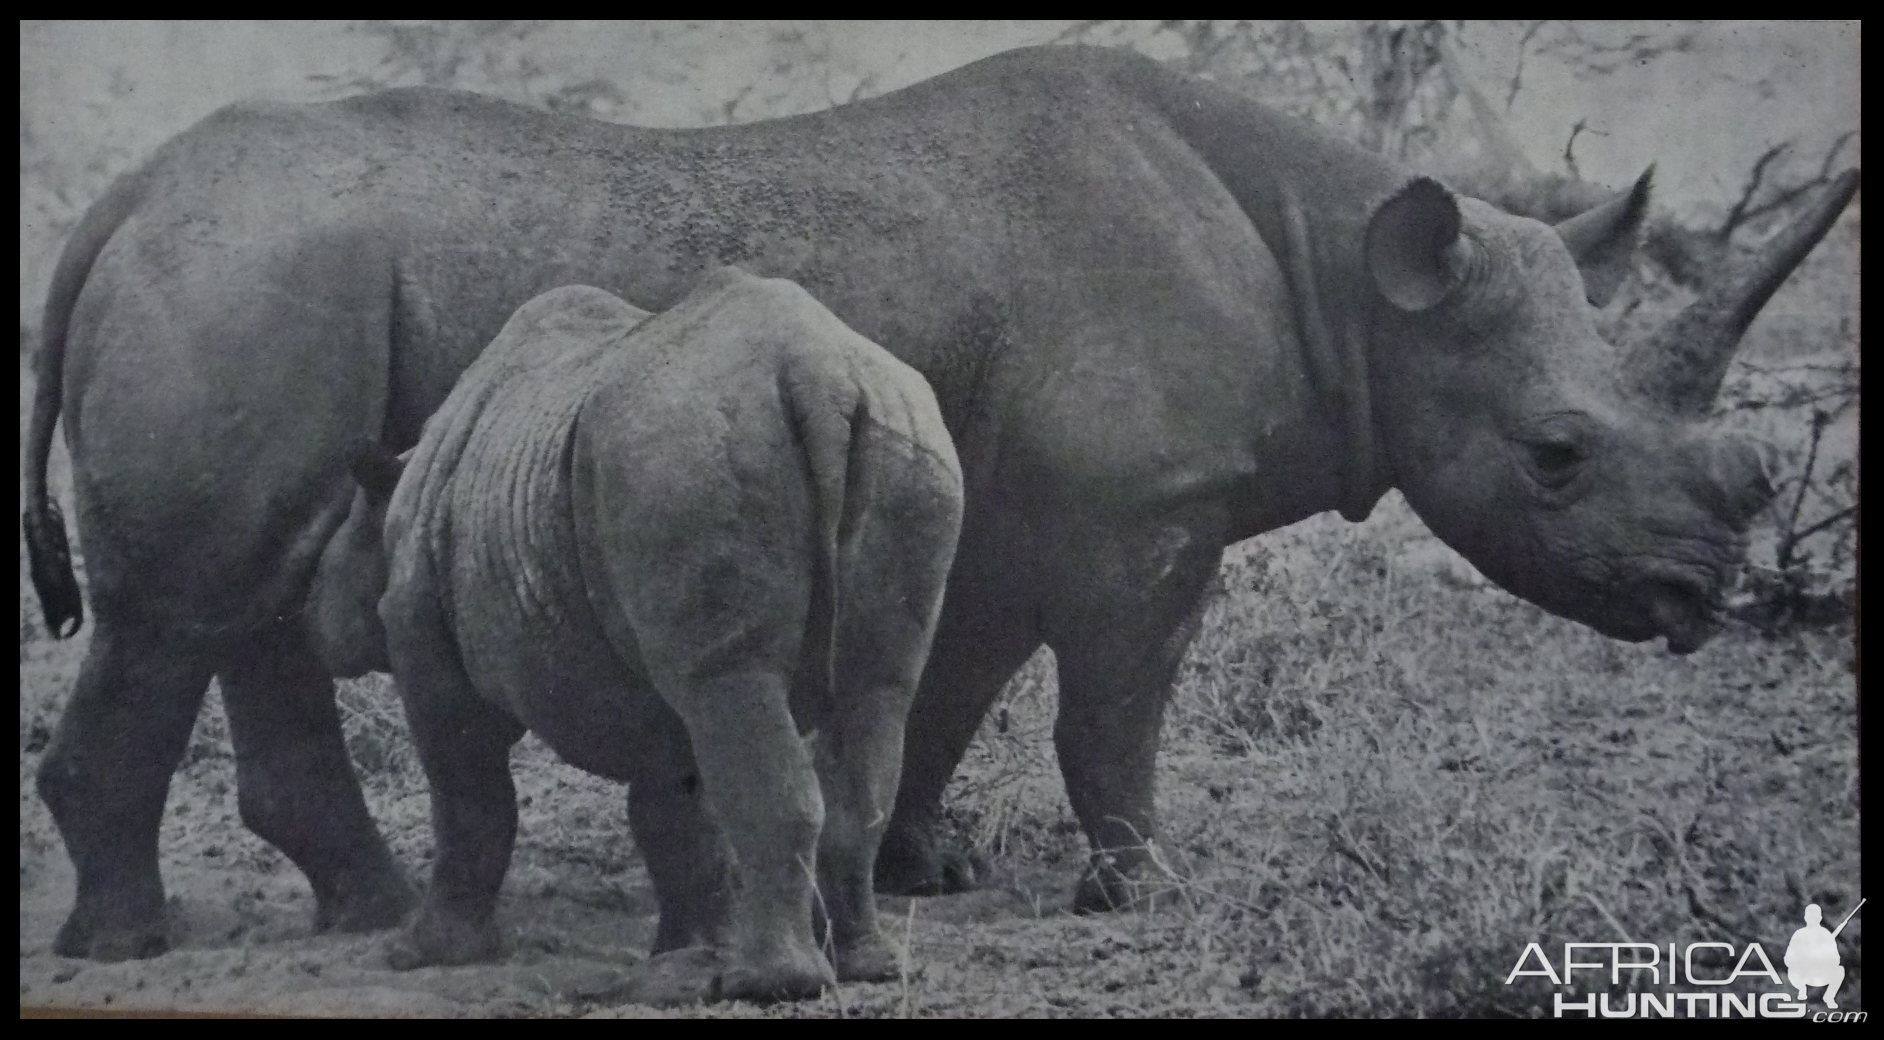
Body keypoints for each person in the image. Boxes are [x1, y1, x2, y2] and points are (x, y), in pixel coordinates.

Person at [1783, 904, 1844, 1009]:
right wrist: (1803, 959)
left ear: (1820, 918)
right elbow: (1788, 959)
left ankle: (1829, 997)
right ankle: (1802, 989)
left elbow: (1836, 960)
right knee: (1793, 970)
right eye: (1810, 916)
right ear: (1805, 918)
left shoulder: (1826, 935)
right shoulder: (1799, 934)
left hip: (1820, 974)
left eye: (1815, 917)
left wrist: (1823, 958)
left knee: (1839, 971)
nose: (1812, 919)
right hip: (1802, 974)